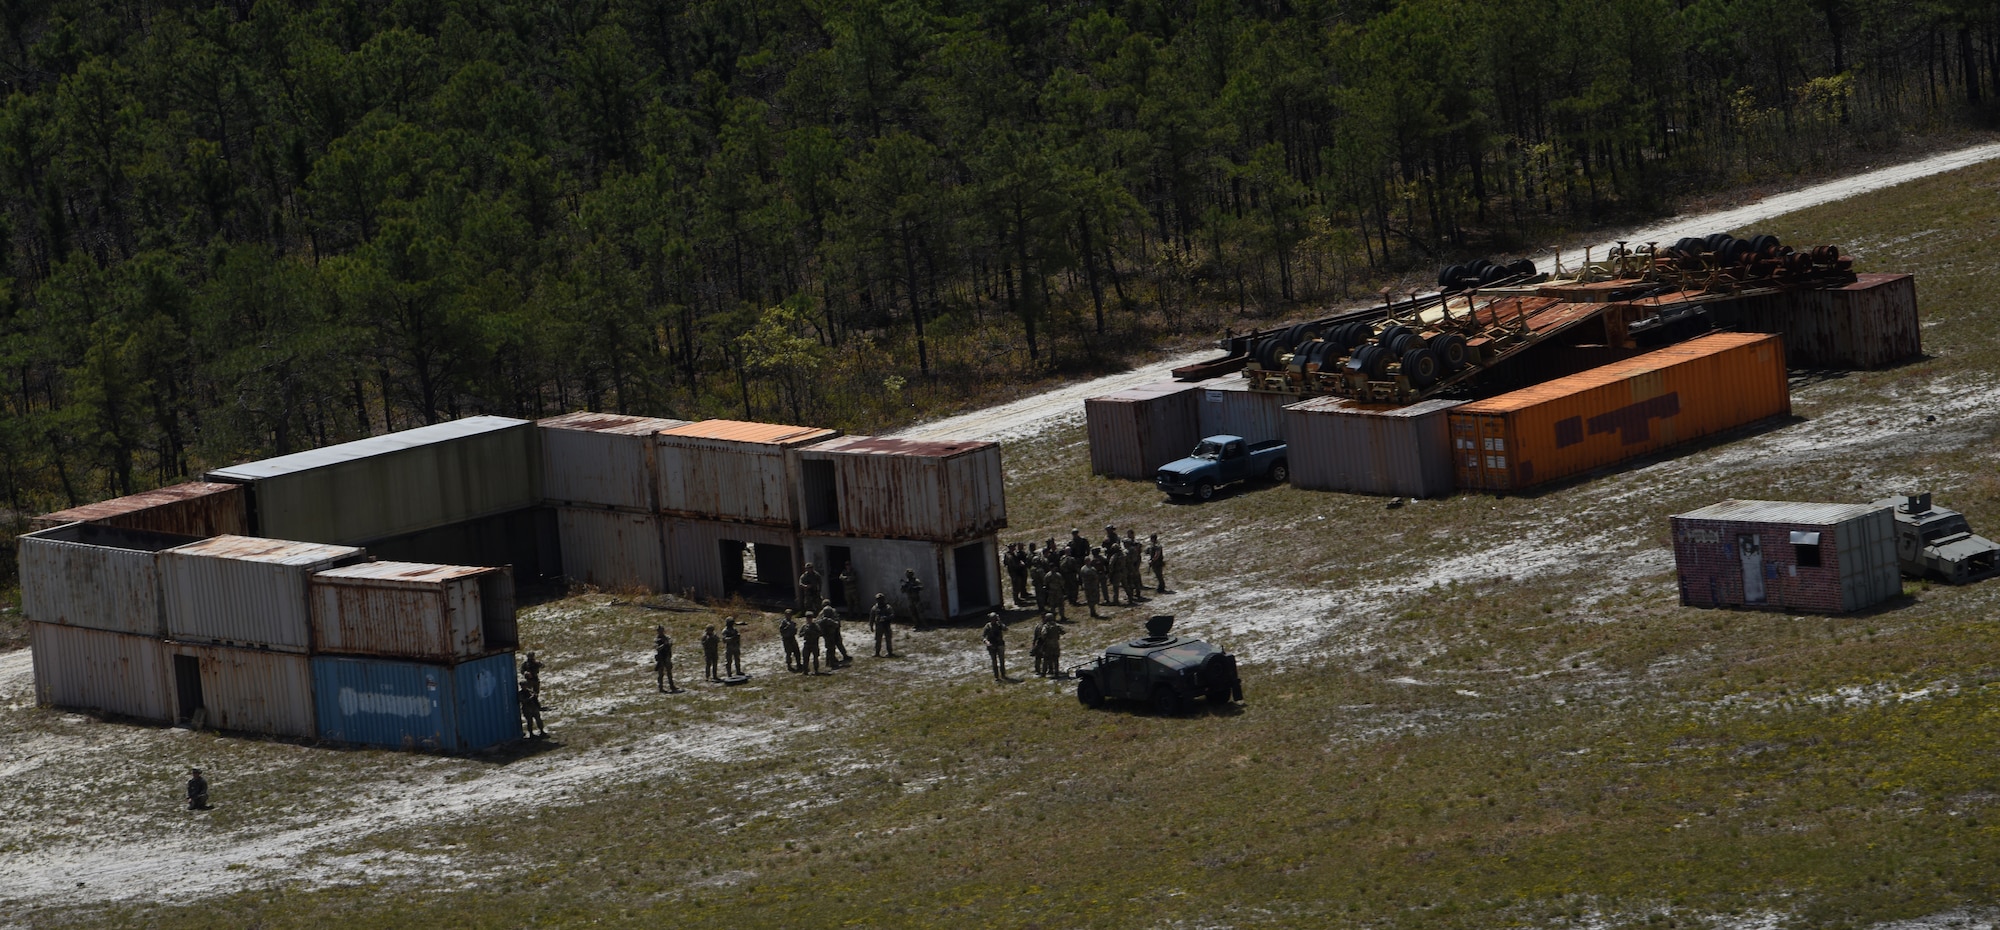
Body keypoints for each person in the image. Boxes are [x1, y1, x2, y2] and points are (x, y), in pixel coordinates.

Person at [868, 593, 896, 657]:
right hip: (878, 626)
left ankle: (890, 652)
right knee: (878, 640)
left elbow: (892, 615)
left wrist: (886, 618)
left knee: (888, 639)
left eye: (881, 599)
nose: (880, 600)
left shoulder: (888, 607)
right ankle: (877, 652)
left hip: (886, 625)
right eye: (878, 599)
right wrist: (871, 626)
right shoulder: (874, 608)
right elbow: (871, 617)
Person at [982, 612, 1008, 681]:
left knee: (1002, 661)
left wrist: (1000, 621)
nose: (994, 620)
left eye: (995, 619)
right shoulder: (988, 626)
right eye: (992, 619)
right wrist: (986, 642)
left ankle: (1003, 675)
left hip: (1000, 645)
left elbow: (1005, 629)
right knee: (994, 661)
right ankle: (996, 677)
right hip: (992, 646)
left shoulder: (999, 625)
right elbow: (983, 636)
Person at [654, 625, 676, 692]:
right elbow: (657, 648)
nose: (661, 632)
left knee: (669, 672)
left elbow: (671, 642)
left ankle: (672, 686)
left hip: (667, 657)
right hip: (661, 658)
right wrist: (664, 645)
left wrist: (668, 643)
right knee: (661, 673)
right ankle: (660, 687)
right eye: (659, 631)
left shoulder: (667, 638)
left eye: (661, 630)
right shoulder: (656, 639)